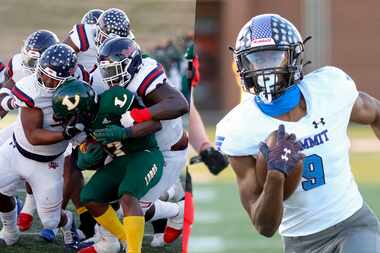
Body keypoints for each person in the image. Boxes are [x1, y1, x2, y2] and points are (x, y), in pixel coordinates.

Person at [216, 14, 380, 253]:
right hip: (299, 242)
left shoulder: (330, 88)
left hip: (352, 224)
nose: (265, 68)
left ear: (293, 57)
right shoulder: (238, 129)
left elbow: (375, 113)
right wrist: (275, 176)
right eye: (256, 59)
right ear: (243, 64)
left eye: (274, 56)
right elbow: (264, 226)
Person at [0, 43, 84, 250]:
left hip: (48, 163)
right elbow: (33, 136)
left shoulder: (79, 91)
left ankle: (68, 222)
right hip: (15, 151)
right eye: (43, 73)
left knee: (50, 221)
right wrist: (66, 133)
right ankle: (10, 231)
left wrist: (81, 133)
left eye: (53, 78)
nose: (45, 80)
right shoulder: (30, 86)